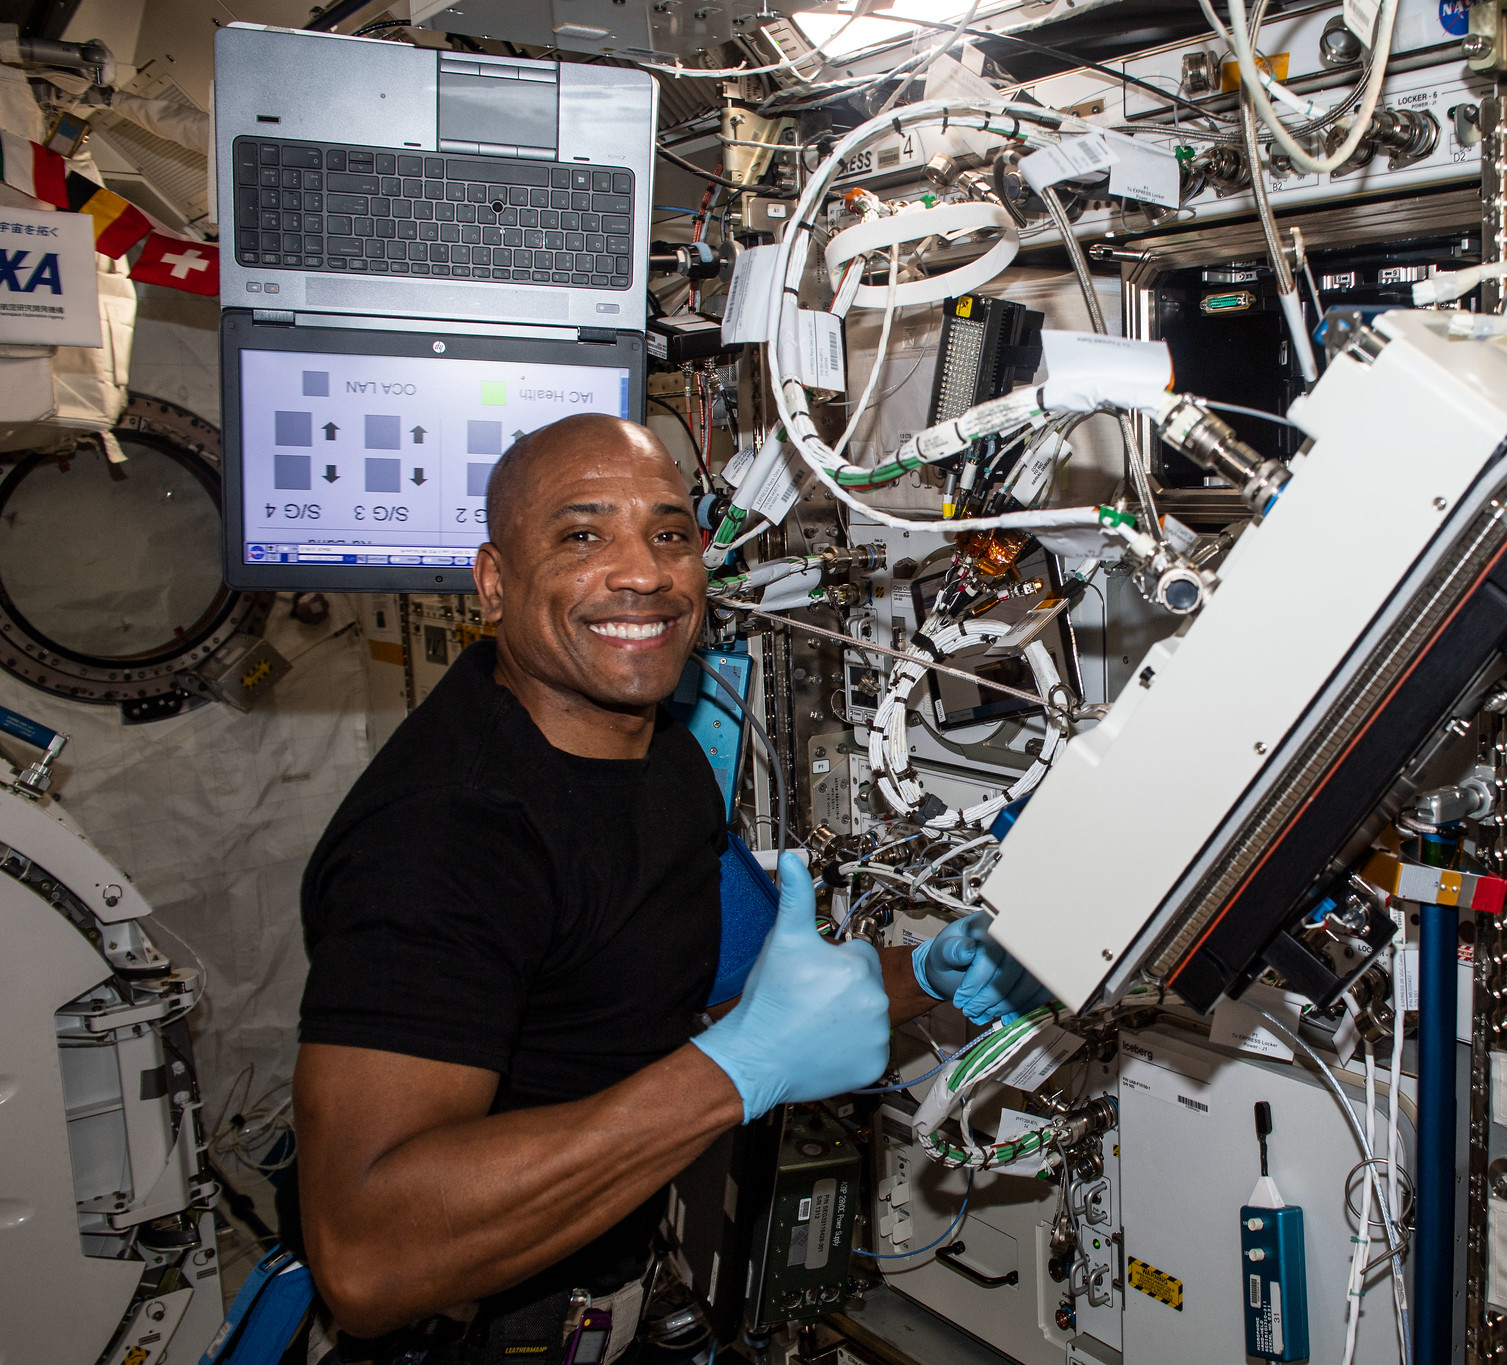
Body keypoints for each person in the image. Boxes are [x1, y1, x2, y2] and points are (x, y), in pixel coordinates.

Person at [292, 414, 1048, 1362]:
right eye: (582, 535)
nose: (643, 572)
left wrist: (930, 974)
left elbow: (743, 1008)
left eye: (669, 532)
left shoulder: (661, 757)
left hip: (605, 1294)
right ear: (491, 581)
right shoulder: (447, 835)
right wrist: (731, 1076)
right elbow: (366, 1258)